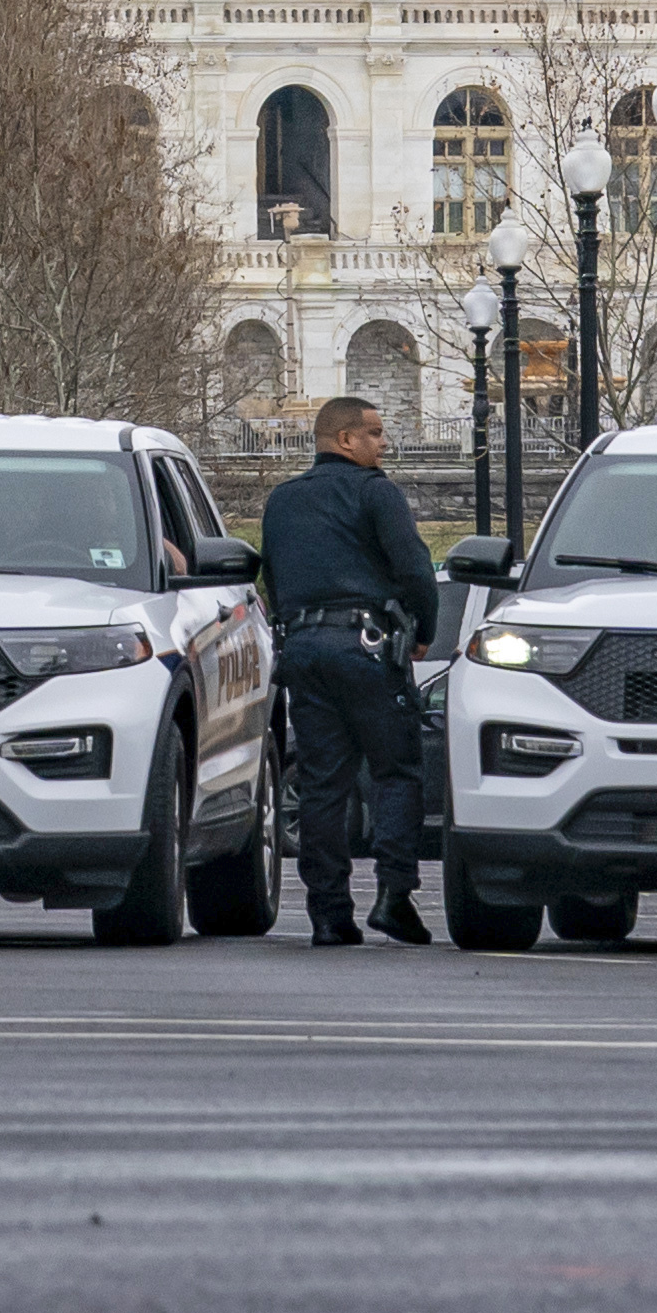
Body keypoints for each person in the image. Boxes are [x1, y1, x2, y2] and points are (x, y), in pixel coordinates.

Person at [257, 395, 437, 945]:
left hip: (304, 649)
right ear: (345, 440)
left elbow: (275, 582)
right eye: (376, 434)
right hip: (366, 646)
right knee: (395, 771)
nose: (385, 444)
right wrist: (424, 634)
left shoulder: (281, 501)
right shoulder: (377, 493)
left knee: (322, 784)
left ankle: (329, 913)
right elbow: (415, 570)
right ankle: (393, 896)